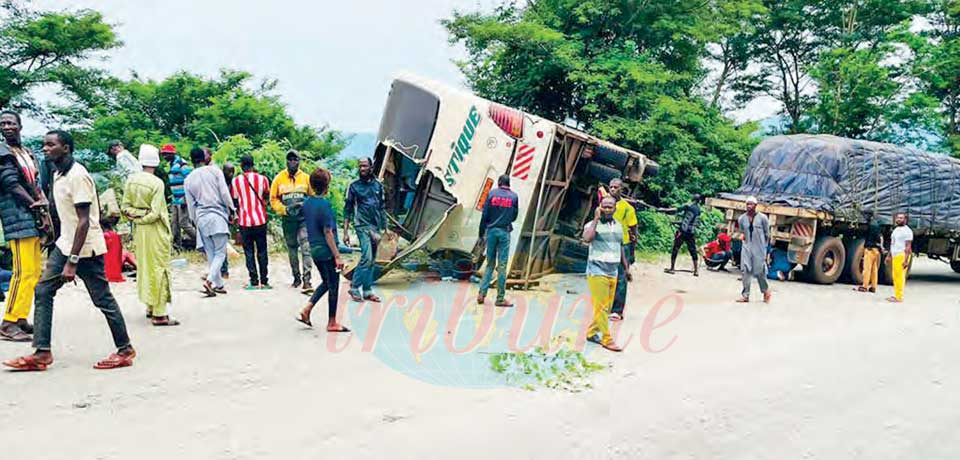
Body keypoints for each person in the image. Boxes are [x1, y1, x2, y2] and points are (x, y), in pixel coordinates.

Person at [3, 130, 135, 371]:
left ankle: (125, 349)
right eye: (44, 144)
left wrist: (72, 261)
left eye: (50, 145)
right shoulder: (58, 173)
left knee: (102, 298)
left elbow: (84, 221)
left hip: (85, 248)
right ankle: (41, 353)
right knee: (43, 291)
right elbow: (64, 209)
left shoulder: (78, 175)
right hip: (66, 243)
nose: (45, 148)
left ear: (66, 148)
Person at [0, 110, 49, 342]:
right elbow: (10, 183)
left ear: (20, 126)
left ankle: (20, 316)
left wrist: (41, 206)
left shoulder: (26, 152)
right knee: (21, 272)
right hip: (17, 216)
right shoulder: (2, 152)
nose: (7, 126)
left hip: (30, 217)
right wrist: (35, 205)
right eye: (3, 123)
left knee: (33, 272)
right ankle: (8, 322)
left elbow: (35, 182)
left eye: (11, 122)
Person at [122, 144, 178, 326]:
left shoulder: (131, 181)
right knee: (159, 269)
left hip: (140, 233)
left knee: (145, 268)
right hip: (156, 231)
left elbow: (125, 208)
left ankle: (150, 306)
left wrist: (136, 217)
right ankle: (160, 313)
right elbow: (155, 213)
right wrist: (144, 216)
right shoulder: (157, 183)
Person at [296, 168, 349, 332]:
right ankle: (332, 322)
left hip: (314, 249)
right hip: (326, 250)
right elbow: (328, 232)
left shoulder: (307, 203)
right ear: (327, 186)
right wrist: (337, 256)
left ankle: (307, 309)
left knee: (327, 282)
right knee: (334, 284)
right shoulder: (325, 205)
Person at [184, 147, 235, 297]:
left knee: (211, 253)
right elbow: (224, 193)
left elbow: (190, 204)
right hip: (217, 215)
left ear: (191, 161)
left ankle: (218, 284)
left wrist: (195, 221)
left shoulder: (188, 179)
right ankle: (210, 281)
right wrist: (232, 209)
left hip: (201, 217)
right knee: (220, 252)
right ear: (204, 158)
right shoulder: (215, 171)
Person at [581, 195, 626, 352]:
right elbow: (587, 239)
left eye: (610, 207)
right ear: (599, 207)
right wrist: (595, 220)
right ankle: (607, 339)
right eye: (604, 206)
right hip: (597, 271)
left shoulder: (619, 226)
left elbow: (620, 247)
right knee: (601, 307)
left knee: (606, 307)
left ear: (615, 209)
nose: (607, 209)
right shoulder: (591, 225)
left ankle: (592, 332)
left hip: (613, 271)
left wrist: (626, 269)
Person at [343, 157, 387, 303]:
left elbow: (381, 208)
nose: (362, 169)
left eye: (365, 166)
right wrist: (345, 232)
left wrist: (384, 229)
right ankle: (355, 287)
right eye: (360, 166)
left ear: (371, 167)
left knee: (372, 260)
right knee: (366, 257)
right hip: (361, 226)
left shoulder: (378, 186)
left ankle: (367, 291)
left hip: (375, 227)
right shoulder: (353, 186)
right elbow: (347, 210)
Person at [270, 150, 314, 293]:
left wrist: (306, 206)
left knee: (306, 248)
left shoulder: (306, 178)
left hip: (304, 219)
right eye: (290, 159)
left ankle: (307, 280)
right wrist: (284, 209)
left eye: (296, 159)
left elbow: (313, 196)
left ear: (299, 161)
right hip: (288, 220)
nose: (293, 162)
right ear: (286, 161)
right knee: (292, 248)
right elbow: (273, 199)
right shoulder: (278, 179)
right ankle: (296, 277)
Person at [476, 174, 519, 307]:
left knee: (489, 264)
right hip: (504, 232)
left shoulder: (491, 194)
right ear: (508, 184)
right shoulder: (514, 197)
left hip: (491, 232)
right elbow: (514, 217)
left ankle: (481, 294)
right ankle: (500, 299)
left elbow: (484, 215)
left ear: (499, 183)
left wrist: (481, 233)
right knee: (502, 266)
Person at [232, 155, 271, 290]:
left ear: (242, 165)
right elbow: (267, 195)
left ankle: (253, 281)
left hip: (245, 221)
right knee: (262, 250)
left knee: (249, 251)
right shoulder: (263, 179)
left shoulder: (236, 181)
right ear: (253, 165)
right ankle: (264, 281)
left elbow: (235, 198)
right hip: (260, 219)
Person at [608, 178, 637, 321]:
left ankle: (617, 311)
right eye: (611, 187)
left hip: (622, 245)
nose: (612, 189)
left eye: (615, 187)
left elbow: (633, 230)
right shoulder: (604, 205)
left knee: (621, 278)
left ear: (621, 189)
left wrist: (632, 251)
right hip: (606, 244)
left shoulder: (627, 208)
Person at [736, 196, 772, 303]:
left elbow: (767, 234)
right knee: (745, 270)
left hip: (759, 248)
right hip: (747, 246)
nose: (749, 206)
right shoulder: (742, 219)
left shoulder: (763, 218)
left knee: (760, 270)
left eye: (751, 204)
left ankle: (765, 291)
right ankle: (745, 295)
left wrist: (765, 248)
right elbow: (742, 231)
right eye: (747, 204)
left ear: (756, 206)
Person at [162, 144, 196, 250]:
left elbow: (190, 180)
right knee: (174, 224)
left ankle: (202, 241)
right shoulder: (171, 165)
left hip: (183, 199)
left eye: (166, 154)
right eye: (163, 154)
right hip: (175, 200)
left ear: (172, 154)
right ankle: (177, 246)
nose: (164, 157)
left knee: (184, 223)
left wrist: (186, 198)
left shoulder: (181, 164)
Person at [664, 194, 703, 277]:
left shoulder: (688, 206)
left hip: (682, 232)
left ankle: (672, 268)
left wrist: (664, 210)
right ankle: (696, 271)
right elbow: (690, 221)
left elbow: (676, 210)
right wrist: (676, 223)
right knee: (693, 250)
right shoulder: (699, 210)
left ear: (693, 199)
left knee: (676, 248)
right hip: (691, 233)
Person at [887, 213, 913, 303]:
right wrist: (889, 256)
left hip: (902, 255)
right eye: (898, 218)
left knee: (900, 276)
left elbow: (908, 247)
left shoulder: (908, 231)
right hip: (895, 255)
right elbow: (892, 244)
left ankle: (899, 297)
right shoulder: (896, 230)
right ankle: (896, 295)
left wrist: (906, 260)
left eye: (901, 218)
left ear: (905, 220)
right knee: (895, 276)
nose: (898, 219)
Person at [857, 210, 883, 293]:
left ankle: (864, 286)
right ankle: (873, 287)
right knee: (874, 269)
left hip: (870, 249)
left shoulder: (871, 225)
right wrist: (880, 247)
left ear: (869, 216)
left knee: (867, 269)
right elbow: (880, 237)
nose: (865, 217)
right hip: (876, 250)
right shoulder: (876, 224)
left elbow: (878, 238)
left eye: (866, 215)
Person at [220, 161, 235, 280]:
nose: (231, 174)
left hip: (228, 217)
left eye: (233, 171)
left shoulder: (233, 184)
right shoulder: (220, 184)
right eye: (229, 171)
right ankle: (222, 270)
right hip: (220, 215)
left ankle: (224, 270)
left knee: (223, 243)